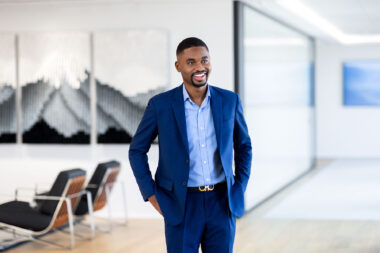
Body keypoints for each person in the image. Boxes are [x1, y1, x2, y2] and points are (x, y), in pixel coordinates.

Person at [129, 37, 252, 253]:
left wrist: (239, 187)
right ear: (178, 66)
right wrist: (150, 194)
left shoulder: (229, 100)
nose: (199, 67)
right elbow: (137, 151)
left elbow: (244, 147)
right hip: (181, 203)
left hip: (221, 202)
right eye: (191, 62)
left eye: (204, 60)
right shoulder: (161, 105)